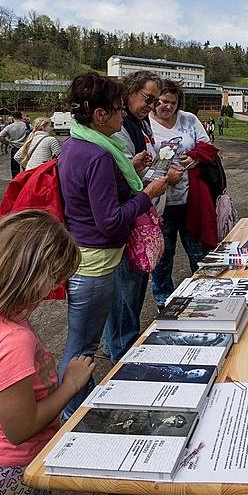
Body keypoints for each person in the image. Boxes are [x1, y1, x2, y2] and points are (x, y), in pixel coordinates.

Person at [58, 72, 167, 419]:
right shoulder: (99, 156)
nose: (124, 116)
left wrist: (129, 171)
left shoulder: (77, 144)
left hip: (83, 258)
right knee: (82, 350)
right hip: (96, 266)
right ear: (100, 115)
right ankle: (72, 416)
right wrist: (147, 196)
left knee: (83, 345)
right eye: (119, 109)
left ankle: (78, 408)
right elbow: (110, 221)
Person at [0, 210, 95, 495]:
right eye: (55, 278)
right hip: (13, 465)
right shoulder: (12, 340)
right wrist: (71, 385)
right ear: (33, 276)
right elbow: (20, 428)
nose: (56, 288)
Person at [102, 70, 164, 361]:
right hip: (127, 223)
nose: (150, 107)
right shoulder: (119, 127)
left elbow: (131, 169)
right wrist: (149, 185)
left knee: (131, 292)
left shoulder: (138, 123)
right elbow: (119, 177)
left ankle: (119, 346)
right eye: (148, 100)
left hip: (137, 219)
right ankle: (121, 355)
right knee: (125, 295)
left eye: (154, 102)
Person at [149, 79, 211, 310]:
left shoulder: (189, 119)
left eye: (173, 102)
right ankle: (164, 301)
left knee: (198, 251)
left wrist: (194, 158)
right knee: (163, 256)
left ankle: (204, 294)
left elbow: (207, 146)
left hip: (189, 198)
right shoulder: (145, 123)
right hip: (161, 202)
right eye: (163, 101)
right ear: (155, 101)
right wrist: (164, 177)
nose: (168, 107)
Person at [0, 111, 27, 177]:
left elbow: (0, 136)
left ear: (13, 117)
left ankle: (15, 183)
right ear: (21, 116)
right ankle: (27, 183)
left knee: (15, 168)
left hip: (15, 148)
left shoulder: (9, 127)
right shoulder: (27, 126)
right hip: (25, 148)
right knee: (25, 167)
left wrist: (7, 142)